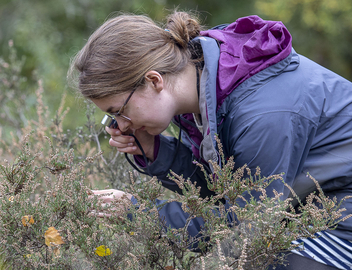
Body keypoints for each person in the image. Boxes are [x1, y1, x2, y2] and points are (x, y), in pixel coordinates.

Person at [68, 10, 352, 269]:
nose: (120, 126)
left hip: (340, 221)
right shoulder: (207, 85)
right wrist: (157, 151)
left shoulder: (261, 113)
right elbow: (227, 189)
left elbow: (246, 226)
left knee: (267, 261)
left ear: (154, 81)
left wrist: (140, 214)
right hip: (310, 212)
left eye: (118, 112)